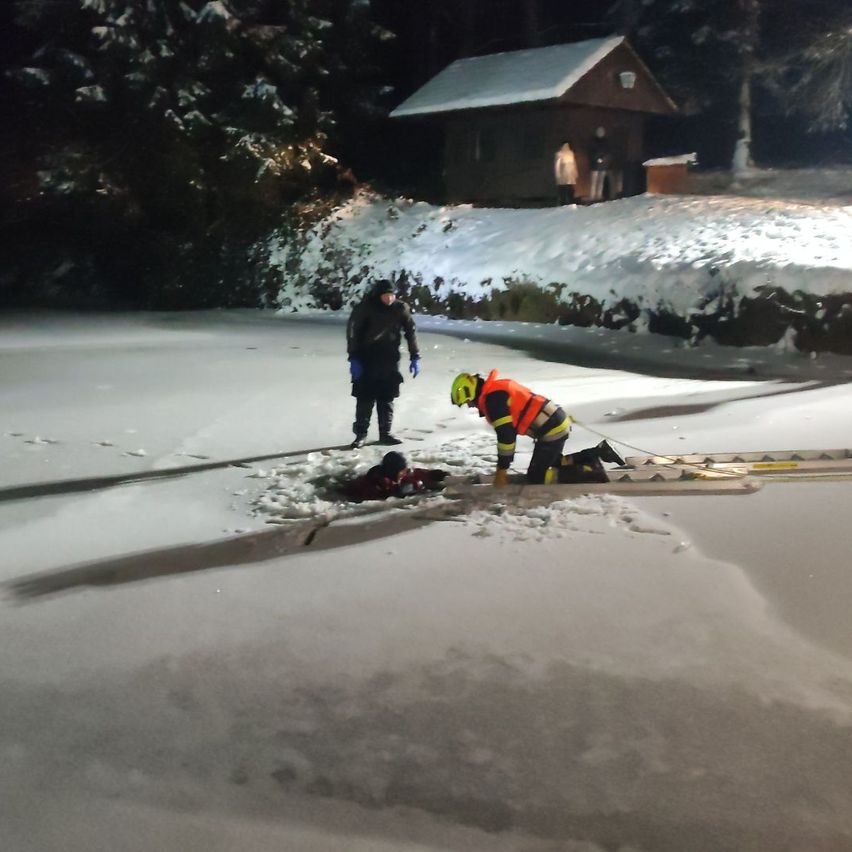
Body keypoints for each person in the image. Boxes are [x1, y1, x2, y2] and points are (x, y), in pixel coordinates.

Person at [450, 370, 625, 487]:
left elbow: (506, 437)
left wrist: (501, 470)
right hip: (553, 420)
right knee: (555, 462)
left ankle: (590, 472)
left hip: (550, 429)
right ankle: (598, 453)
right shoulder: (495, 390)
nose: (470, 406)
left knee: (536, 477)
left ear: (470, 393)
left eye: (467, 402)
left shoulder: (493, 400)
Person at [346, 279, 420, 449]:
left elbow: (411, 332)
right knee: (365, 398)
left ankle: (385, 433)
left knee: (387, 398)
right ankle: (361, 435)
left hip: (390, 359)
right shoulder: (364, 308)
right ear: (378, 295)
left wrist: (415, 356)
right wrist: (354, 358)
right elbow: (352, 333)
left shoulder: (400, 309)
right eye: (386, 296)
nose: (389, 299)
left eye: (392, 295)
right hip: (367, 359)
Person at [339, 451, 448, 502]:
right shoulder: (377, 483)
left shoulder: (400, 474)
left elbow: (415, 472)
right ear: (393, 471)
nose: (405, 472)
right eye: (402, 470)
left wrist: (434, 474)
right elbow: (383, 495)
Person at [588, 126, 612, 203]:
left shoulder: (606, 142)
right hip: (595, 165)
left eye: (601, 131)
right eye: (599, 131)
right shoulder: (593, 141)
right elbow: (591, 152)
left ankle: (598, 195)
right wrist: (597, 158)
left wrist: (603, 159)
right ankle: (592, 196)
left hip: (603, 165)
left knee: (600, 181)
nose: (600, 133)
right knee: (594, 181)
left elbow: (608, 152)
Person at [553, 140, 578, 205]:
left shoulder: (571, 153)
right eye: (565, 145)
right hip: (563, 174)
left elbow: (574, 163)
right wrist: (557, 174)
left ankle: (571, 200)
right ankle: (562, 202)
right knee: (562, 188)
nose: (566, 147)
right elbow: (557, 165)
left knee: (570, 188)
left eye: (567, 145)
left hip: (570, 174)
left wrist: (575, 172)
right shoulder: (559, 154)